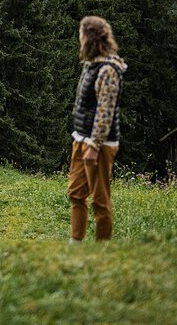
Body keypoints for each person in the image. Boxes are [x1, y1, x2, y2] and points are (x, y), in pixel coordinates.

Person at [67, 15, 127, 242]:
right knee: (75, 193)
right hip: (81, 137)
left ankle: (103, 249)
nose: (79, 40)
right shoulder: (92, 65)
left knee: (100, 200)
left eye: (81, 36)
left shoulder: (108, 70)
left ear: (89, 38)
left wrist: (94, 144)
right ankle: (76, 242)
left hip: (98, 144)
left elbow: (105, 111)